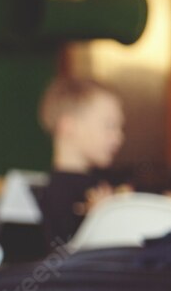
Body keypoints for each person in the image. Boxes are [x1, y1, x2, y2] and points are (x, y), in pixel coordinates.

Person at [36, 77, 128, 246]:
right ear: (69, 126)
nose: (119, 137)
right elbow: (63, 259)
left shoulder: (107, 179)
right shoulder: (56, 193)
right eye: (110, 125)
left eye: (120, 127)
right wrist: (100, 219)